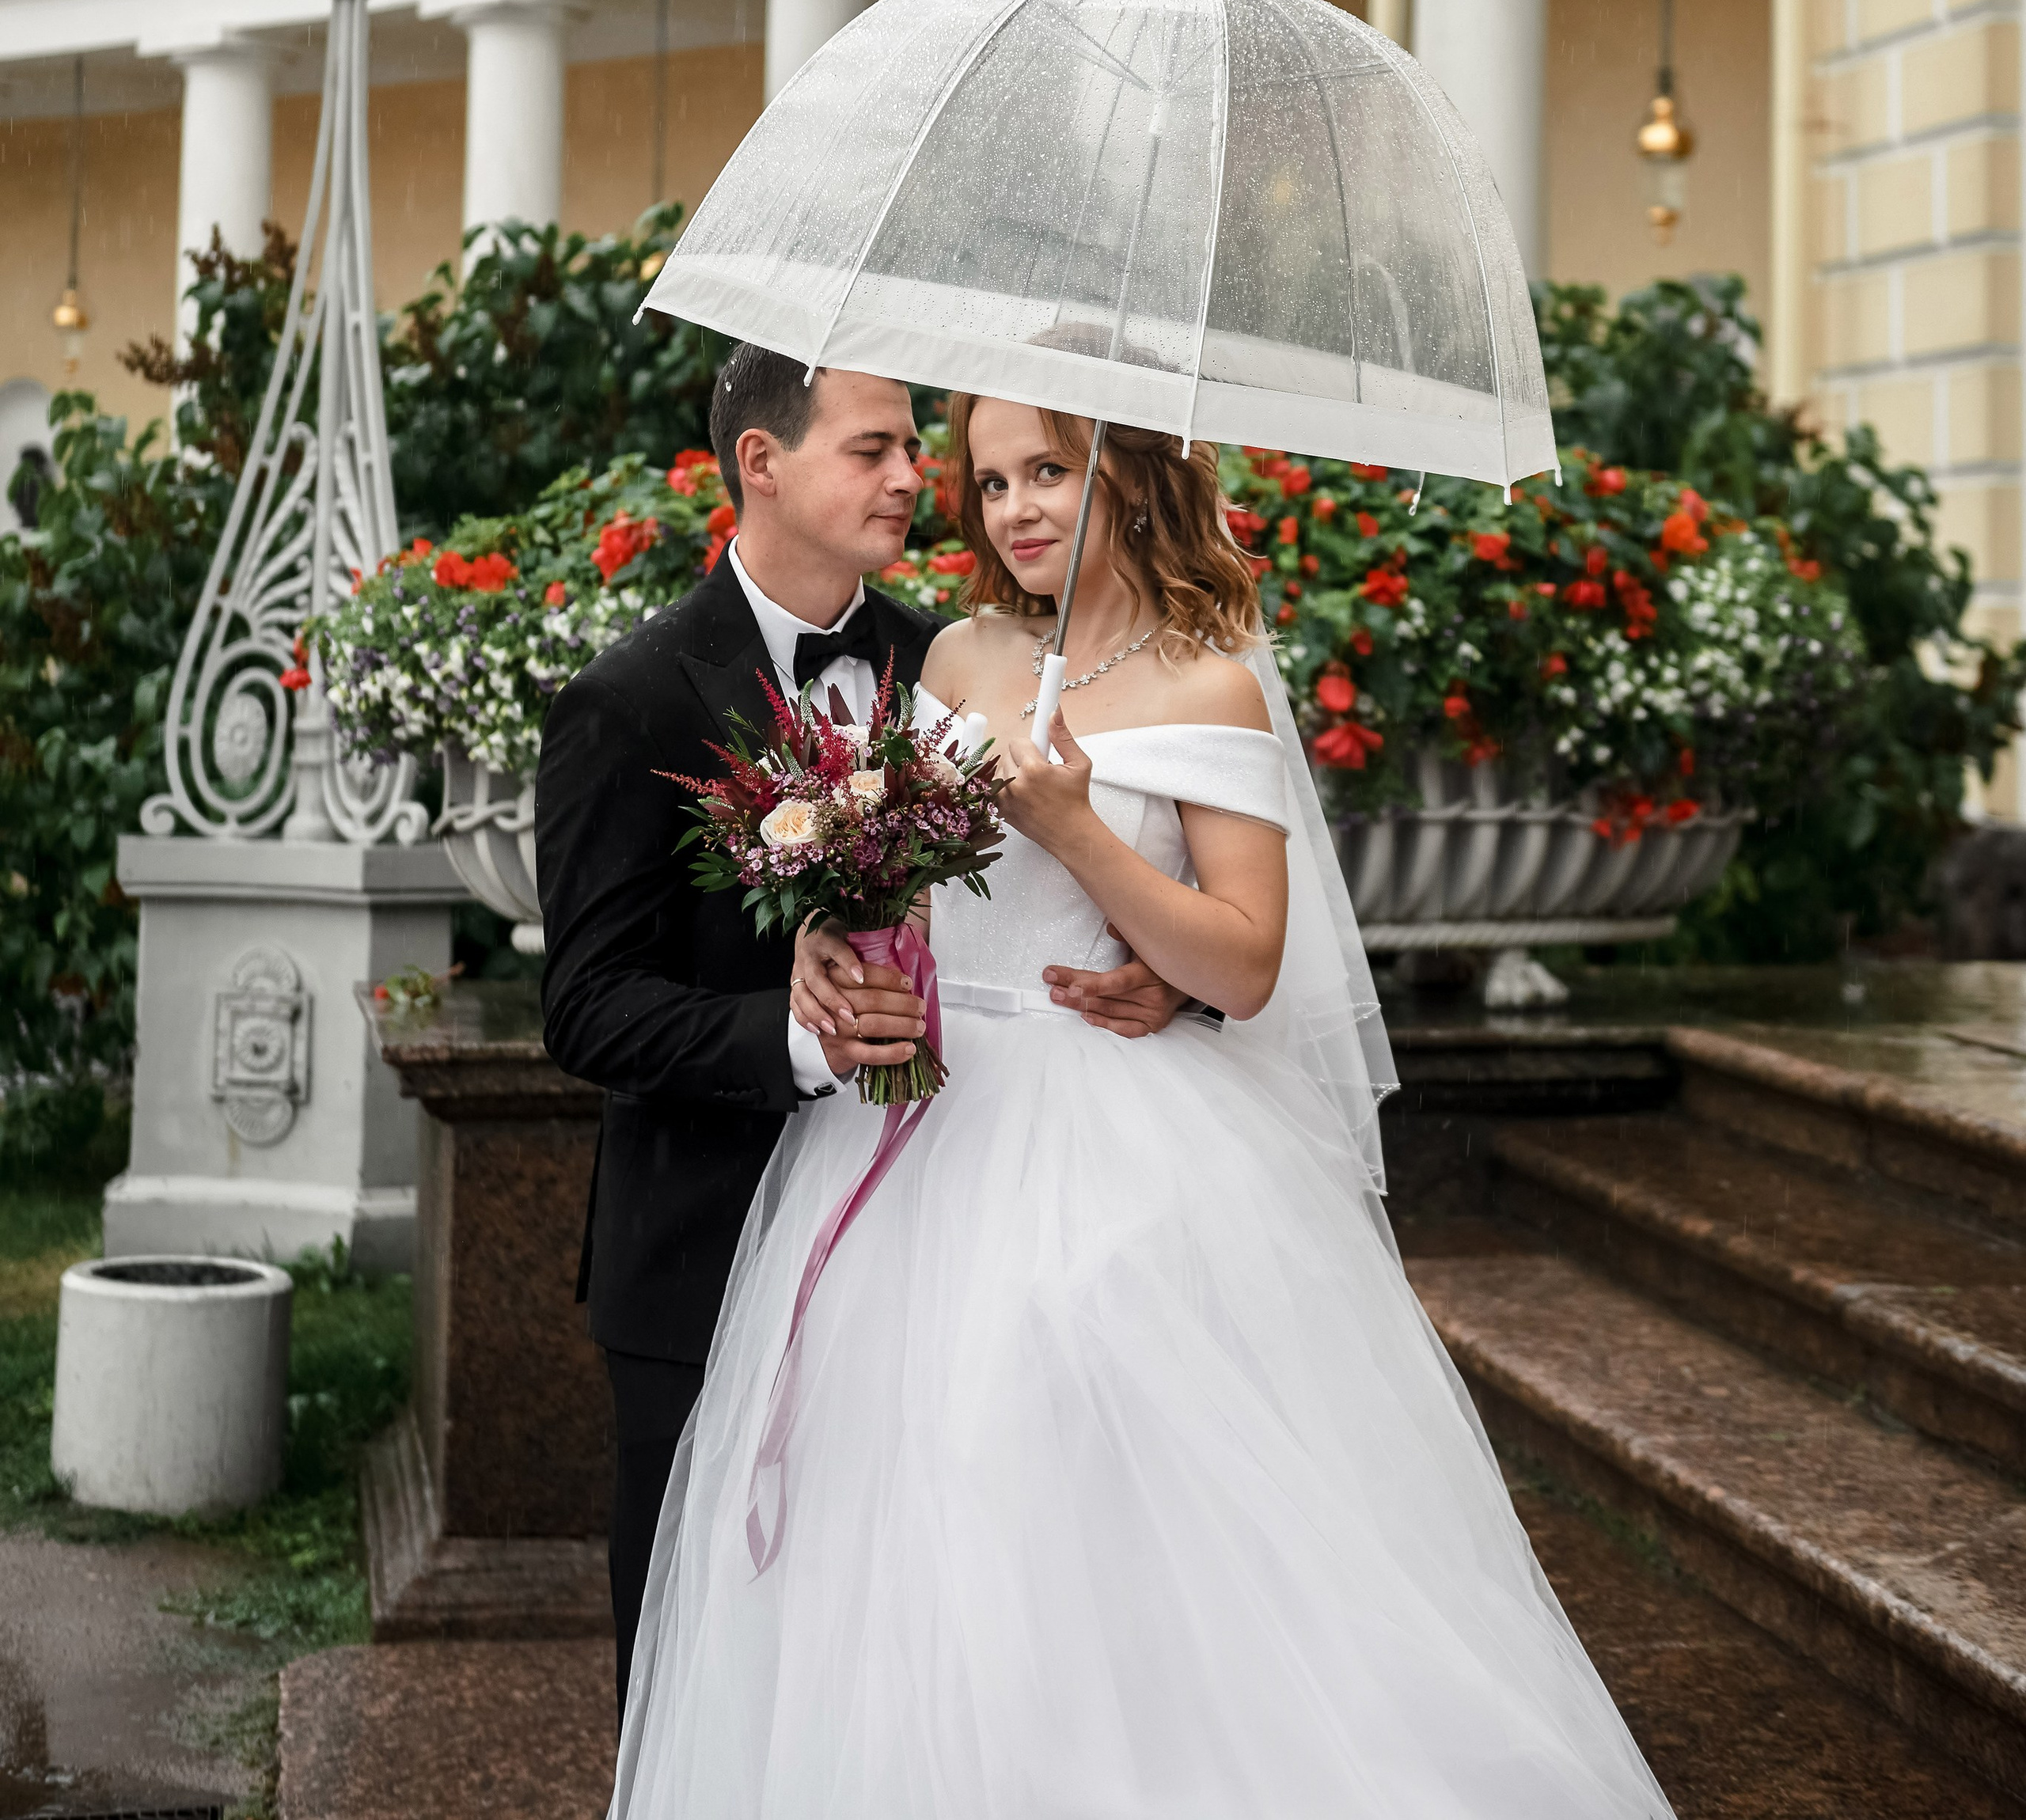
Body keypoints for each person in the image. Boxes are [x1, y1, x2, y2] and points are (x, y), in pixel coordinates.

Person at [609, 398, 1673, 1818]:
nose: (1013, 509)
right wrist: (831, 929)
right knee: (911, 1515)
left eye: (1049, 470)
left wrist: (1085, 843)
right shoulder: (959, 654)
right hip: (920, 1125)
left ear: (1135, 471)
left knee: (1095, 1483)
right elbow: (910, 891)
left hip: (1117, 1143)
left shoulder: (1207, 684)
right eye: (989, 481)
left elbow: (1241, 954)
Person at [535, 349, 1186, 1714]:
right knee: (692, 1665)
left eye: (911, 451)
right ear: (762, 463)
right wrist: (790, 1031)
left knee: (891, 1642)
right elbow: (587, 1004)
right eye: (873, 449)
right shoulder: (630, 698)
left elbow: (1066, 876)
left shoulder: (947, 660)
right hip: (703, 1250)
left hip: (937, 1245)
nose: (913, 478)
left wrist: (1160, 972)